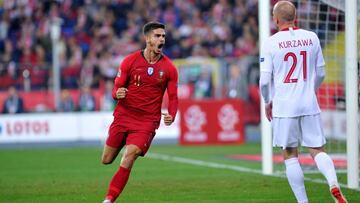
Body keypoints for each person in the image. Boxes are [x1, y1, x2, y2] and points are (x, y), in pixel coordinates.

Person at [259, 1, 347, 203]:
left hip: (284, 106)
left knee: (290, 153)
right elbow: (321, 73)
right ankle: (333, 183)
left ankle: (303, 202)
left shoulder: (270, 42)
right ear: (295, 16)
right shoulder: (312, 37)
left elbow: (264, 81)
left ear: (276, 19)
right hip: (309, 103)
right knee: (317, 149)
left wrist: (267, 101)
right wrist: (310, 90)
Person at [101, 22, 178, 203]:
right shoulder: (129, 61)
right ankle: (124, 142)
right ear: (147, 39)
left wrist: (171, 114)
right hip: (124, 115)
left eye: (164, 36)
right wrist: (116, 94)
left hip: (147, 122)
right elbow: (116, 88)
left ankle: (108, 200)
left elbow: (174, 97)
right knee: (106, 159)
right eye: (158, 36)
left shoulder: (169, 68)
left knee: (130, 155)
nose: (162, 39)